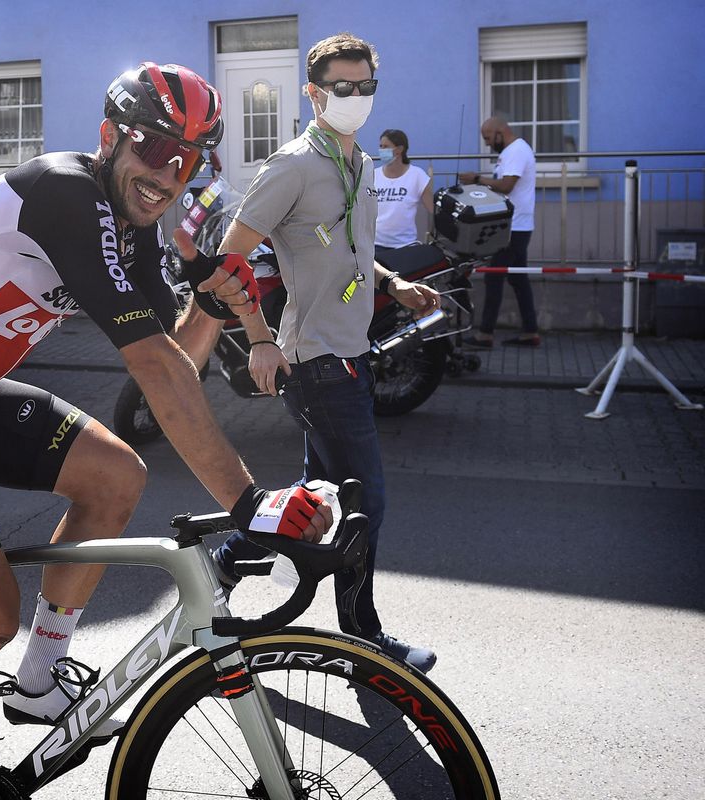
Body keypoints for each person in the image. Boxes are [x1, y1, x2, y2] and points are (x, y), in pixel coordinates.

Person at [0, 62, 332, 800]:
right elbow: (157, 370)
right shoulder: (65, 191)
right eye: (152, 149)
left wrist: (212, 310)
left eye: (187, 161)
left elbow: (167, 369)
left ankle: (40, 678)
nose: (168, 174)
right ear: (107, 139)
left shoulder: (137, 232)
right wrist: (250, 502)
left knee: (116, 474)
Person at [206, 32, 441, 674]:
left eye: (366, 87)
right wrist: (258, 337)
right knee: (369, 504)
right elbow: (229, 259)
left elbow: (352, 250)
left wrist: (394, 282)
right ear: (314, 94)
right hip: (315, 364)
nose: (357, 98)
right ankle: (364, 638)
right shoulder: (292, 166)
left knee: (314, 498)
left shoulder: (360, 163)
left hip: (352, 354)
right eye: (344, 88)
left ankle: (221, 571)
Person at [458, 116, 540, 347]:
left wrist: (476, 179)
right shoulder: (510, 152)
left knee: (494, 276)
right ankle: (530, 331)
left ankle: (485, 334)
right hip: (515, 225)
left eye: (487, 137)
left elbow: (506, 186)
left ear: (500, 132)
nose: (487, 144)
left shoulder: (516, 151)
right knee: (518, 279)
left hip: (514, 227)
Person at [374, 128, 433, 250]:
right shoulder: (373, 175)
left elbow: (432, 210)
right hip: (376, 244)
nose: (381, 150)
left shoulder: (417, 176)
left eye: (386, 146)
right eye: (380, 146)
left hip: (405, 245)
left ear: (399, 149)